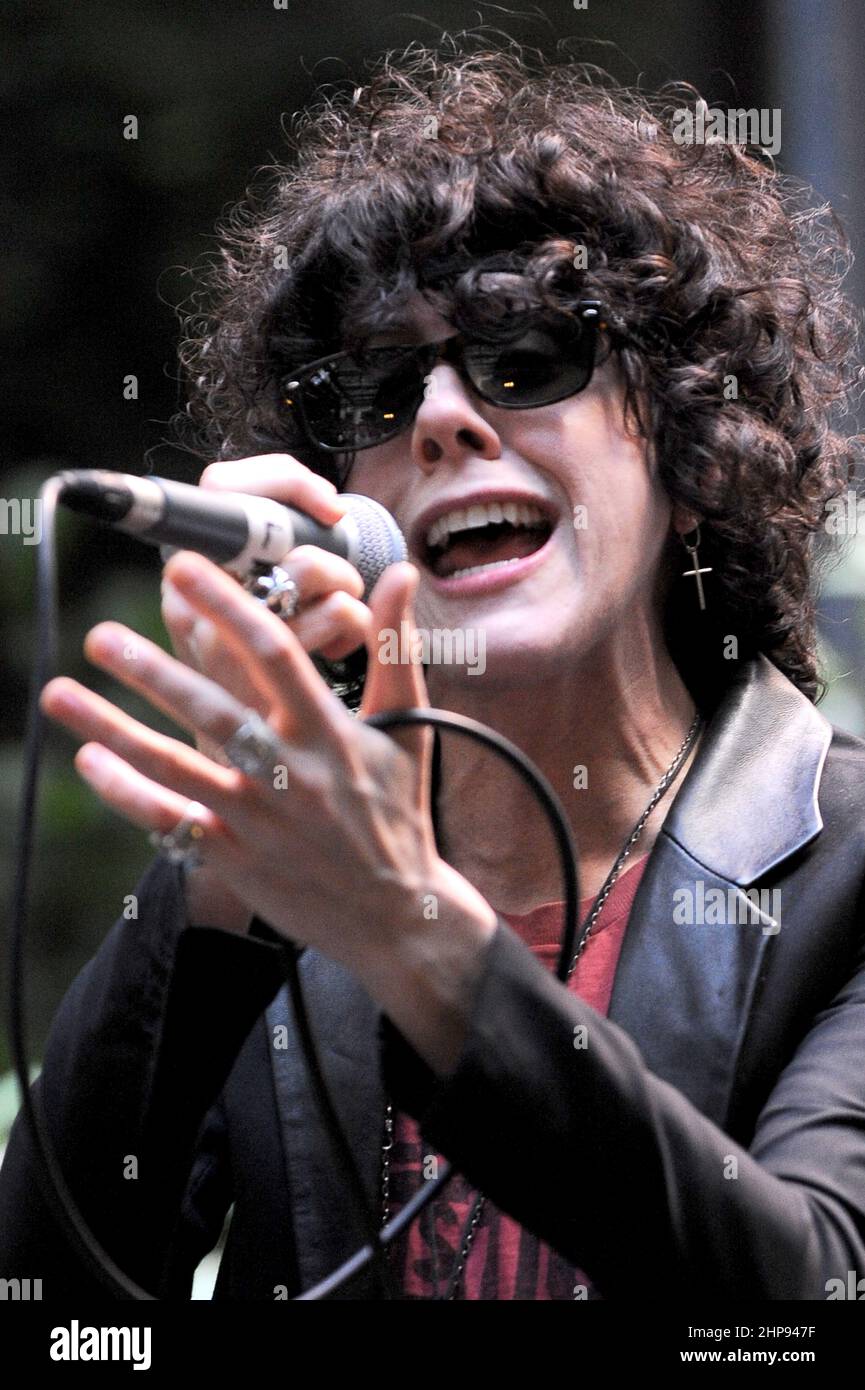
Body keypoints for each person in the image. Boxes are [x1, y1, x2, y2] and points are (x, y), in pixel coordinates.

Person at [3, 42, 865, 1302]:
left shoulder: (844, 866)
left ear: (692, 458)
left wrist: (416, 938)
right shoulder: (280, 864)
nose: (445, 419)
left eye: (527, 357)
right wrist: (220, 878)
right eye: (376, 387)